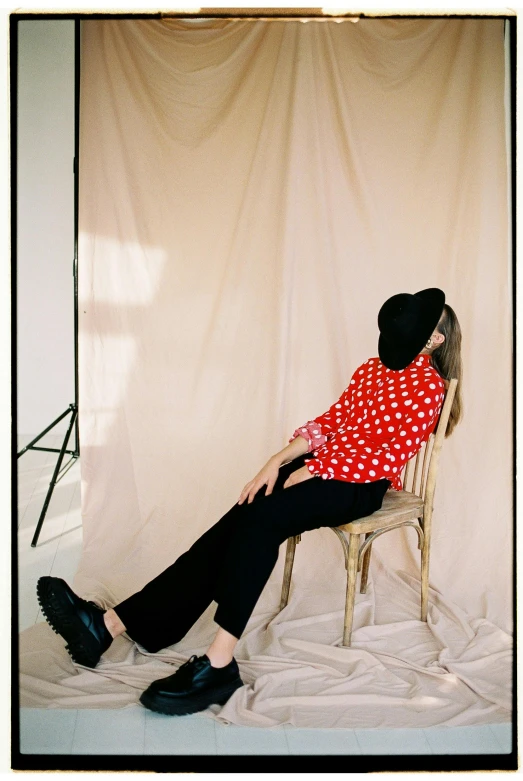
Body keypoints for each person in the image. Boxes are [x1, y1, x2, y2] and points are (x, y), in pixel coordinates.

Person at [36, 288, 463, 717]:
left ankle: (219, 663)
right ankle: (112, 625)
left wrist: (312, 470)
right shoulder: (371, 370)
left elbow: (382, 455)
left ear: (435, 340)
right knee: (242, 516)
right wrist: (276, 463)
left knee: (260, 522)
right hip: (327, 465)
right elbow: (332, 421)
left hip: (359, 483)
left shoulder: (429, 388)